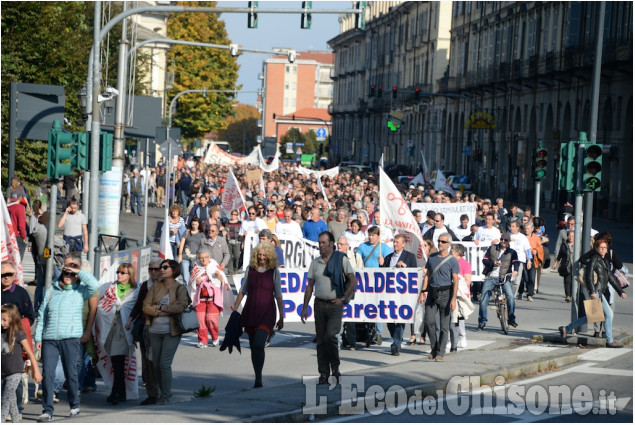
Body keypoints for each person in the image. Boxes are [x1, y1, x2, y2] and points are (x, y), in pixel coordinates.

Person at [34, 254, 100, 422]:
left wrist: (78, 271)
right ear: (61, 274)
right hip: (50, 339)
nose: (69, 276)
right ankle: (47, 410)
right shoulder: (51, 290)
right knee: (47, 373)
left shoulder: (81, 291)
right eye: (66, 273)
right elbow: (42, 314)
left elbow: (95, 284)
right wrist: (38, 337)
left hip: (71, 338)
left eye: (72, 274)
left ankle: (74, 404)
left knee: (71, 374)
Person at [301, 232, 356, 384]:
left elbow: (352, 280)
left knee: (331, 336)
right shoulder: (315, 262)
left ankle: (335, 368)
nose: (321, 246)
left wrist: (344, 298)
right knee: (321, 341)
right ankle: (323, 373)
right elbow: (309, 285)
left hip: (334, 305)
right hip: (319, 304)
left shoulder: (341, 259)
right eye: (319, 243)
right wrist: (304, 307)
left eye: (324, 243)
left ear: (332, 244)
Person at [559, 238, 627, 348]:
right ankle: (609, 340)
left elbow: (610, 276)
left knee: (591, 317)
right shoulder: (594, 260)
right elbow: (588, 276)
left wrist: (620, 291)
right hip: (596, 292)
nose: (603, 250)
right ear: (596, 248)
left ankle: (566, 329)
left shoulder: (604, 260)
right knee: (609, 314)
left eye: (605, 248)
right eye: (601, 248)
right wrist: (592, 291)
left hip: (600, 292)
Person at [233, 243, 284, 388]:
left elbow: (279, 296)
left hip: (267, 312)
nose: (261, 257)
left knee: (258, 344)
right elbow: (243, 290)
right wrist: (235, 308)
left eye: (264, 254)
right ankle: (257, 376)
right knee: (253, 346)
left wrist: (281, 317)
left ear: (269, 255)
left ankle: (259, 377)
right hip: (251, 310)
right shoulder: (251, 270)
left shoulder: (274, 272)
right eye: (259, 255)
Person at [142, 259, 189, 404]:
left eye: (165, 267)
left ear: (173, 270)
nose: (161, 270)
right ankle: (164, 393)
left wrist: (162, 308)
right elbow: (145, 306)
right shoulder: (156, 286)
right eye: (161, 267)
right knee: (155, 364)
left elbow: (181, 306)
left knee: (164, 363)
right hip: (154, 330)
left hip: (172, 331)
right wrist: (158, 311)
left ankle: (166, 396)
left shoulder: (180, 288)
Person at [94, 263, 139, 404]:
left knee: (118, 361)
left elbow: (135, 309)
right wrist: (113, 308)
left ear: (130, 275)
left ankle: (117, 391)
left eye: (123, 273)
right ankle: (120, 391)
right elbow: (101, 306)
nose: (119, 275)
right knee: (116, 362)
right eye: (118, 272)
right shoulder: (110, 288)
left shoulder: (135, 290)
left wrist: (123, 311)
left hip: (124, 330)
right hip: (110, 328)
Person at [1, 261, 36, 420]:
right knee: (3, 377)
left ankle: (14, 411)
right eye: (2, 275)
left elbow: (30, 316)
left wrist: (17, 328)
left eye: (9, 274)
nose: (5, 278)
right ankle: (11, 413)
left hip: (15, 338)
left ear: (14, 275)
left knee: (14, 372)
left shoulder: (21, 293)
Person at [126, 259, 162, 406]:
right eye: (150, 269)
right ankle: (152, 394)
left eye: (156, 269)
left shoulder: (169, 285)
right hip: (146, 327)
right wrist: (130, 319)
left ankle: (162, 392)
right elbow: (138, 304)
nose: (153, 272)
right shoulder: (145, 285)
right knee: (147, 363)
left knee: (158, 362)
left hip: (161, 328)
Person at [418, 233, 459, 362]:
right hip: (432, 293)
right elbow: (427, 275)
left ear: (449, 244)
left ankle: (440, 352)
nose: (440, 243)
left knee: (444, 326)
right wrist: (422, 292)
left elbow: (456, 281)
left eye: (443, 242)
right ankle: (434, 347)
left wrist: (453, 299)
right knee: (428, 321)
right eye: (439, 241)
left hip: (446, 293)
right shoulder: (432, 258)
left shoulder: (452, 260)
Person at [2, 304, 42, 423]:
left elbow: (30, 352)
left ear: (13, 319)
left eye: (4, 319)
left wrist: (36, 371)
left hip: (15, 372)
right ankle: (16, 421)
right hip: (3, 372)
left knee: (5, 399)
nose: (1, 322)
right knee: (12, 400)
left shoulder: (19, 334)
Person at [382, 234, 417, 356]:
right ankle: (397, 338)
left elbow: (415, 274)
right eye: (394, 242)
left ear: (403, 244)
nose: (395, 244)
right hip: (389, 293)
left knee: (400, 319)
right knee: (389, 319)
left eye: (397, 242)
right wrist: (381, 265)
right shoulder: (388, 257)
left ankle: (395, 345)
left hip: (402, 294)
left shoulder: (410, 256)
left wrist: (405, 268)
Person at [477, 233, 519, 331]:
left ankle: (511, 319)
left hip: (504, 278)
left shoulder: (512, 252)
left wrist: (515, 270)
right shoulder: (492, 248)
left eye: (505, 240)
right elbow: (485, 260)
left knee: (511, 297)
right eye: (501, 239)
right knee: (483, 299)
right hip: (491, 276)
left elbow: (516, 262)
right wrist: (492, 263)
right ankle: (482, 321)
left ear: (508, 241)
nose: (503, 241)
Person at [190, 248, 230, 348]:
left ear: (209, 257)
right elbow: (190, 282)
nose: (203, 260)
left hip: (213, 299)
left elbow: (223, 281)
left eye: (206, 257)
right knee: (200, 321)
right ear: (198, 258)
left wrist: (219, 277)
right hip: (200, 299)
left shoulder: (214, 265)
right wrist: (196, 282)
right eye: (201, 258)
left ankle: (215, 337)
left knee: (211, 319)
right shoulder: (196, 267)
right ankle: (202, 341)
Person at [407, 238, 436, 346]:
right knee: (414, 311)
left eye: (425, 245)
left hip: (427, 288)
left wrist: (427, 271)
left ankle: (423, 335)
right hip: (415, 287)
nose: (423, 247)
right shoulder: (417, 257)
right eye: (421, 245)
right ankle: (413, 334)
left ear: (430, 247)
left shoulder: (432, 258)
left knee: (424, 312)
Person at [449, 244, 473, 351]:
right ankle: (451, 339)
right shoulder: (449, 262)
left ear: (457, 252)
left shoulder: (465, 264)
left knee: (460, 317)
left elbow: (468, 281)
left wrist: (457, 279)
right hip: (450, 292)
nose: (450, 252)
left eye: (452, 250)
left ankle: (462, 336)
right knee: (450, 317)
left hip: (461, 294)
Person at [178, 217, 206, 287]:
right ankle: (186, 290)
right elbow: (182, 243)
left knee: (193, 276)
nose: (194, 226)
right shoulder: (187, 232)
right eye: (193, 224)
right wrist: (180, 255)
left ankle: (191, 291)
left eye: (196, 224)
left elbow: (203, 247)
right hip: (185, 257)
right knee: (185, 276)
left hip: (196, 258)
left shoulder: (202, 234)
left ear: (199, 224)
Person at [552, 230, 574, 302]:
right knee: (567, 281)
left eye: (572, 236)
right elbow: (560, 255)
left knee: (573, 282)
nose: (571, 237)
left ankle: (571, 295)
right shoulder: (564, 245)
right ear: (567, 236)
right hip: (566, 265)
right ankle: (568, 295)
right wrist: (555, 263)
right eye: (569, 236)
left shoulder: (578, 245)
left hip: (574, 266)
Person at [225, 209, 243, 275]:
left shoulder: (240, 223)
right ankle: (230, 271)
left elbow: (242, 233)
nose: (233, 216)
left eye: (235, 214)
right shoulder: (227, 222)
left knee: (236, 256)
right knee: (229, 256)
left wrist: (242, 242)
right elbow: (225, 231)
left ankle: (236, 269)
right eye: (232, 214)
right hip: (229, 241)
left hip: (237, 241)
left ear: (237, 216)